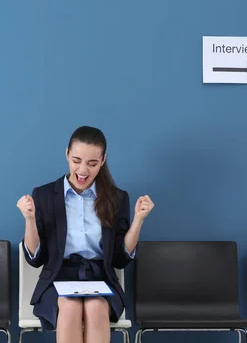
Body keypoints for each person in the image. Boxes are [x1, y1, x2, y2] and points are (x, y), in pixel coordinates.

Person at [17, 126, 154, 343]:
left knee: (96, 306)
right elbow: (35, 259)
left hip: (101, 279)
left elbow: (120, 260)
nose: (82, 170)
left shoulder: (117, 198)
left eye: (92, 163)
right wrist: (29, 219)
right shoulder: (44, 195)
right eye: (76, 160)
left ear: (103, 160)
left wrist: (138, 220)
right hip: (57, 279)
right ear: (67, 154)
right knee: (70, 306)